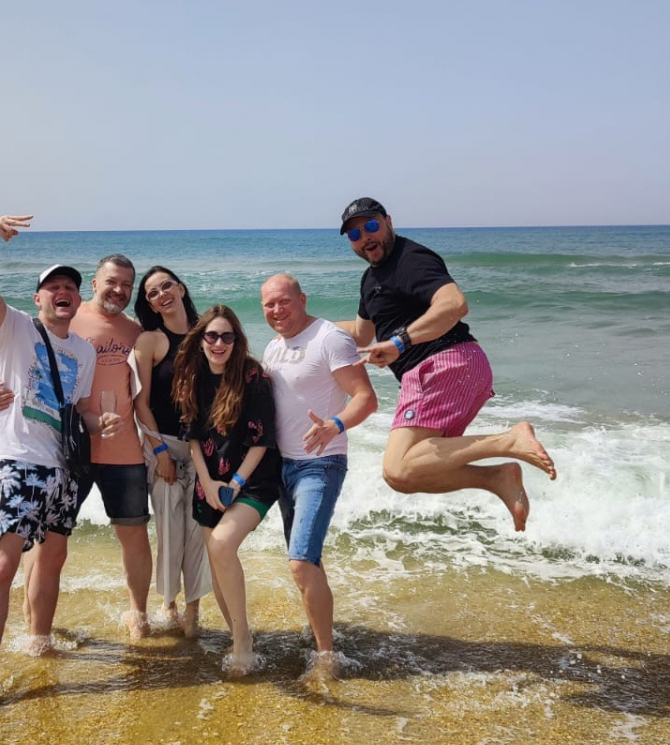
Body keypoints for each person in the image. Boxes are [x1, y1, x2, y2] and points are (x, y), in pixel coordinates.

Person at [0, 214, 119, 719]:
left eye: (70, 287)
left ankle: (39, 640)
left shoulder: (83, 351)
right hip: (16, 459)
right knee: (3, 565)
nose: (63, 292)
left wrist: (101, 422)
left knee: (53, 557)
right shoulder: (13, 327)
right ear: (38, 298)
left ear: (78, 299)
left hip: (63, 467)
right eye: (53, 287)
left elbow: (76, 411)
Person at [337, 197, 556, 530]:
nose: (365, 237)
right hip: (457, 367)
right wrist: (304, 326)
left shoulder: (410, 259)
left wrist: (399, 342)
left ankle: (510, 441)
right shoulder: (370, 280)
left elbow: (454, 303)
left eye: (370, 226)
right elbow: (360, 333)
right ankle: (497, 477)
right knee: (406, 475)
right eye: (355, 234)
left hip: (444, 362)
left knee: (398, 467)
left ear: (388, 222)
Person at [0, 255, 155, 638]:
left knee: (134, 533)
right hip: (67, 452)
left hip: (123, 447)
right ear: (93, 285)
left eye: (127, 284)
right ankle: (35, 624)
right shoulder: (67, 317)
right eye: (112, 282)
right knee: (46, 543)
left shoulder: (136, 331)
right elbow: (20, 360)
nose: (119, 290)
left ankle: (138, 615)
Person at [259, 273, 377, 680]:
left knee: (300, 561)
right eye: (269, 304)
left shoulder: (330, 339)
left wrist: (335, 424)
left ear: (302, 299)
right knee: (308, 559)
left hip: (321, 463)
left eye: (284, 301)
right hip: (282, 466)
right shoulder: (274, 347)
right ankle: (318, 633)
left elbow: (366, 398)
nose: (277, 310)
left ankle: (327, 656)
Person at [171, 305, 280, 675]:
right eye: (212, 336)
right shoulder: (193, 377)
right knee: (217, 564)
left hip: (253, 480)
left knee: (220, 545)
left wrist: (234, 484)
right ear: (201, 340)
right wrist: (206, 482)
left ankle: (242, 640)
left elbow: (262, 440)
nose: (219, 343)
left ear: (237, 340)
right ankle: (237, 634)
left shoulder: (252, 376)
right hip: (210, 480)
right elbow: (193, 438)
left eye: (227, 336)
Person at [131, 266, 212, 637]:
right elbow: (140, 403)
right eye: (152, 292)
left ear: (180, 288)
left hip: (202, 449)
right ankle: (169, 603)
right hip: (162, 444)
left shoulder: (208, 332)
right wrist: (160, 451)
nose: (162, 294)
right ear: (149, 304)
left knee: (199, 532)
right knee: (169, 531)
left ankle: (193, 610)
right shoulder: (149, 340)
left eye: (167, 286)